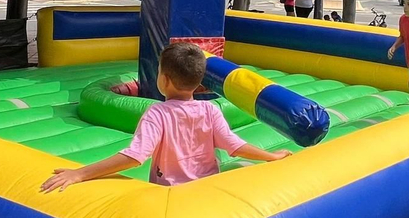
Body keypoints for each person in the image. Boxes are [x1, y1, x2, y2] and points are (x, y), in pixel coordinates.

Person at [41, 43, 291, 189]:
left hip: (170, 194)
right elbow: (234, 146)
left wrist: (80, 174)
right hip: (205, 192)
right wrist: (271, 156)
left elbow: (136, 156)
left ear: (164, 79)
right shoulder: (210, 109)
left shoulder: (157, 113)